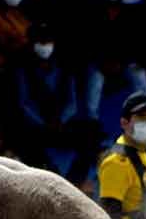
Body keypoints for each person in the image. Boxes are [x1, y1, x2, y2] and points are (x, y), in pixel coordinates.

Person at [14, 23, 90, 182]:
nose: (45, 46)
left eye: (47, 41)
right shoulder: (23, 69)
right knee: (23, 140)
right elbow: (24, 103)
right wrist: (43, 123)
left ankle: (75, 180)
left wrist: (61, 120)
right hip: (38, 125)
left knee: (89, 135)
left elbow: (72, 102)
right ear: (34, 44)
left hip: (61, 123)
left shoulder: (65, 67)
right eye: (41, 42)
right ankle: (49, 175)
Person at [85, 0, 146, 120]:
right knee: (94, 78)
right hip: (100, 62)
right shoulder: (91, 13)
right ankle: (91, 121)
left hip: (124, 61)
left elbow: (135, 43)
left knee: (139, 75)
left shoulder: (132, 14)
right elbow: (89, 42)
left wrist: (120, 61)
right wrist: (103, 62)